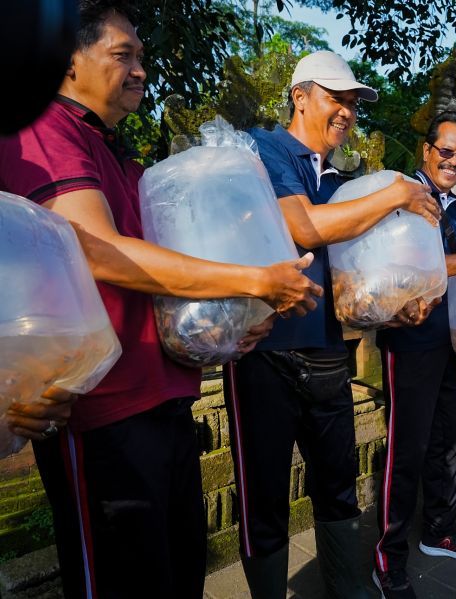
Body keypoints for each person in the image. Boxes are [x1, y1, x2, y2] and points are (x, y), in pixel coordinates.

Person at [0, 3, 321, 597]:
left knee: (178, 574)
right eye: (123, 55)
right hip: (100, 412)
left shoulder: (123, 157)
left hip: (163, 399)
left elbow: (160, 285)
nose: (141, 70)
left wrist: (228, 328)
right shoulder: (46, 130)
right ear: (67, 62)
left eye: (143, 57)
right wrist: (252, 280)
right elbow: (98, 252)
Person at [225, 50, 441, 599]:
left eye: (352, 103)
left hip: (327, 355)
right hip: (265, 355)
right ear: (300, 96)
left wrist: (396, 303)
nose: (346, 111)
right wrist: (397, 192)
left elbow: (350, 283)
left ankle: (348, 589)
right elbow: (302, 226)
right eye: (335, 98)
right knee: (265, 496)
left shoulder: (343, 180)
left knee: (338, 487)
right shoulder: (264, 149)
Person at [372, 112, 456, 597]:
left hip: (448, 340)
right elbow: (401, 268)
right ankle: (388, 557)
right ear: (426, 150)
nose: (454, 162)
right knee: (406, 449)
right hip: (409, 342)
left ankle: (440, 530)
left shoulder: (454, 205)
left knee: (448, 440)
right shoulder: (404, 195)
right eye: (446, 152)